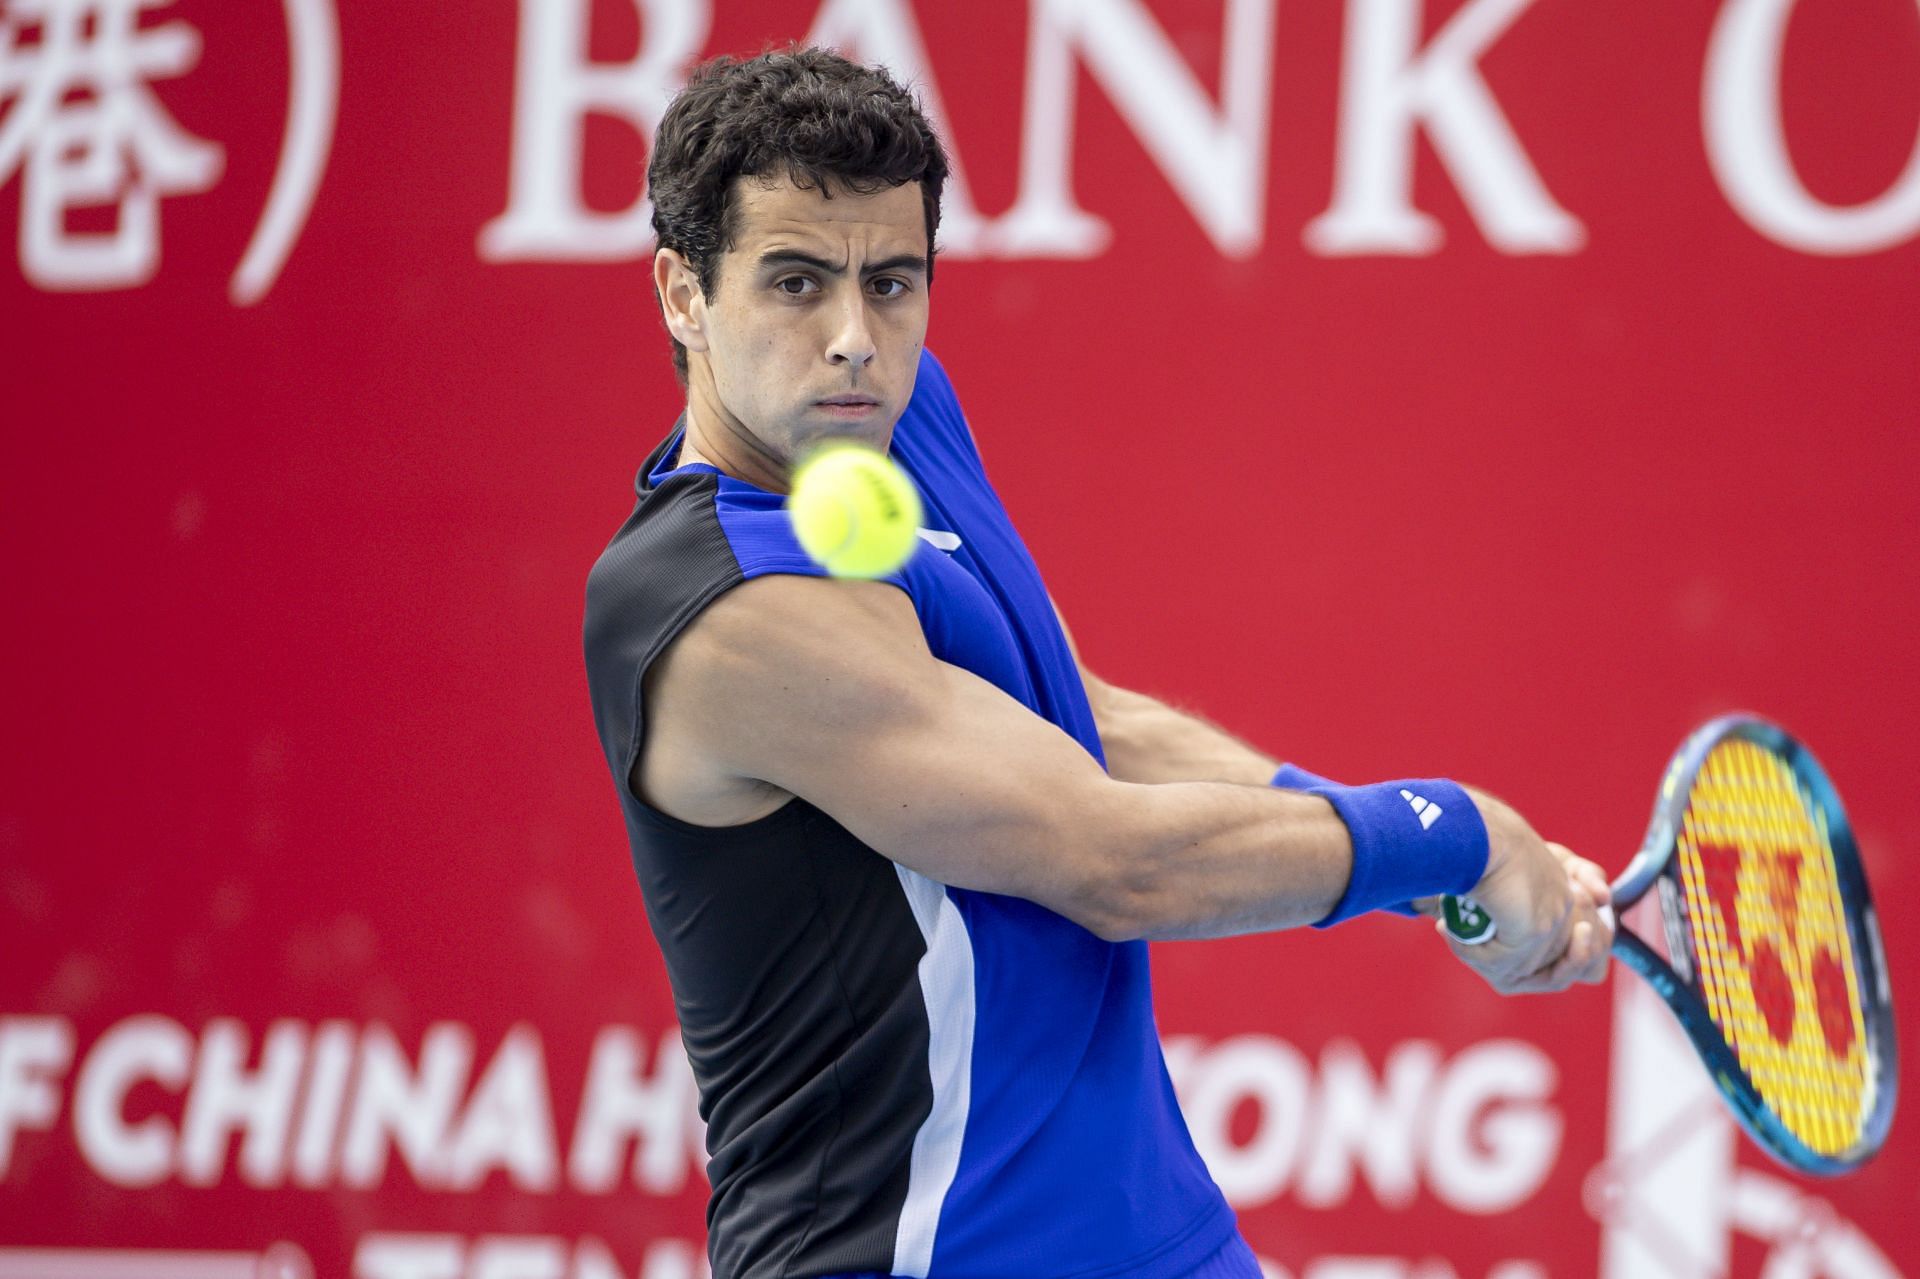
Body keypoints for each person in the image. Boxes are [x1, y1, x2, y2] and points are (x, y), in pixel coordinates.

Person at [583, 46, 1612, 1279]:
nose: (856, 339)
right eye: (795, 283)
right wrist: (1460, 837)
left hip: (1151, 1237)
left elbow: (1091, 723)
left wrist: (1421, 876)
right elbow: (1110, 860)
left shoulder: (899, 420)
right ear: (682, 293)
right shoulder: (725, 609)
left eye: (894, 283)